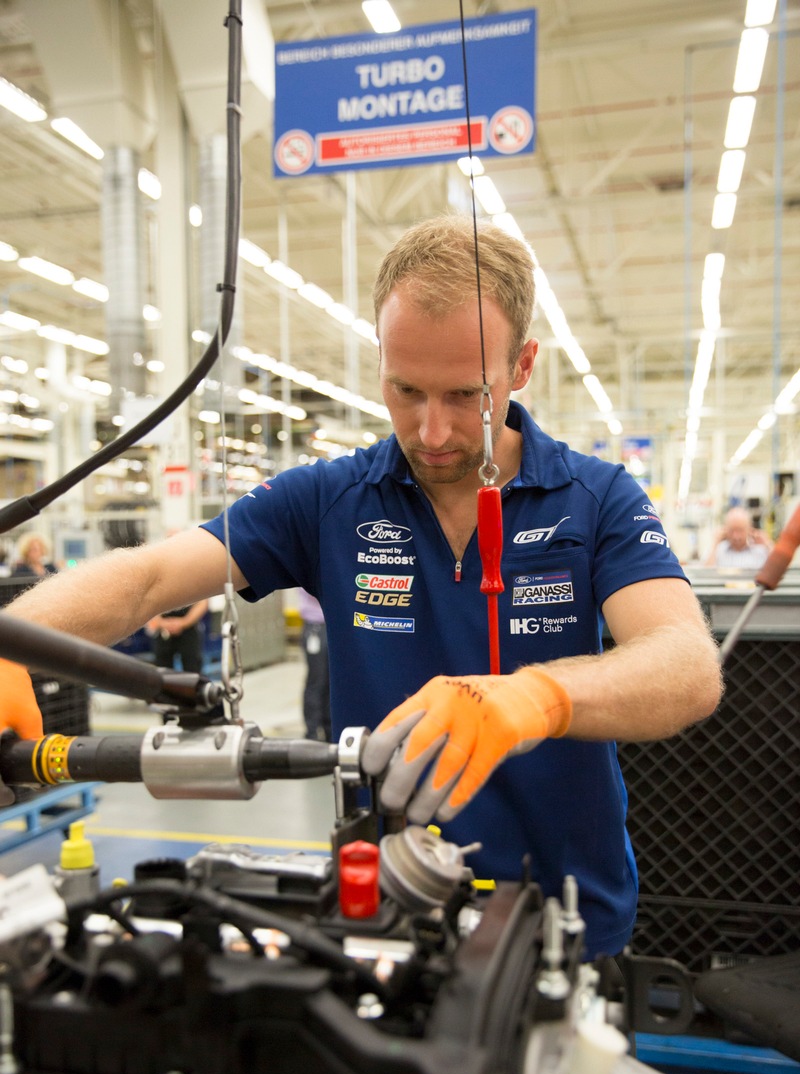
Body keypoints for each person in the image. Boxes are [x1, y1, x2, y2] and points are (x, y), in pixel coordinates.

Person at [0, 214, 722, 959]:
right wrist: (10, 652)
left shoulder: (596, 498)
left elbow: (686, 664)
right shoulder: (327, 502)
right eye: (405, 389)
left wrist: (533, 697)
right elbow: (145, 578)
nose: (433, 431)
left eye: (466, 395)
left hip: (565, 918)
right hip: (387, 911)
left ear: (524, 365)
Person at [297, 588, 331, 742]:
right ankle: (312, 733)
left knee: (331, 683)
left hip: (332, 627)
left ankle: (330, 730)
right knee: (316, 681)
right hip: (315, 627)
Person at [146, 600, 208, 675]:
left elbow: (203, 602)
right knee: (162, 670)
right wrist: (162, 623)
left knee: (192, 667)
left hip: (189, 628)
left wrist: (184, 622)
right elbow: (148, 603)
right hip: (163, 631)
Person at [705, 506, 772, 571]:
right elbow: (705, 575)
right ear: (725, 529)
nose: (736, 536)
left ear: (749, 529)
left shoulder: (760, 550)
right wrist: (715, 544)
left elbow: (779, 570)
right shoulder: (718, 550)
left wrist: (768, 544)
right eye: (732, 530)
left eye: (740, 530)